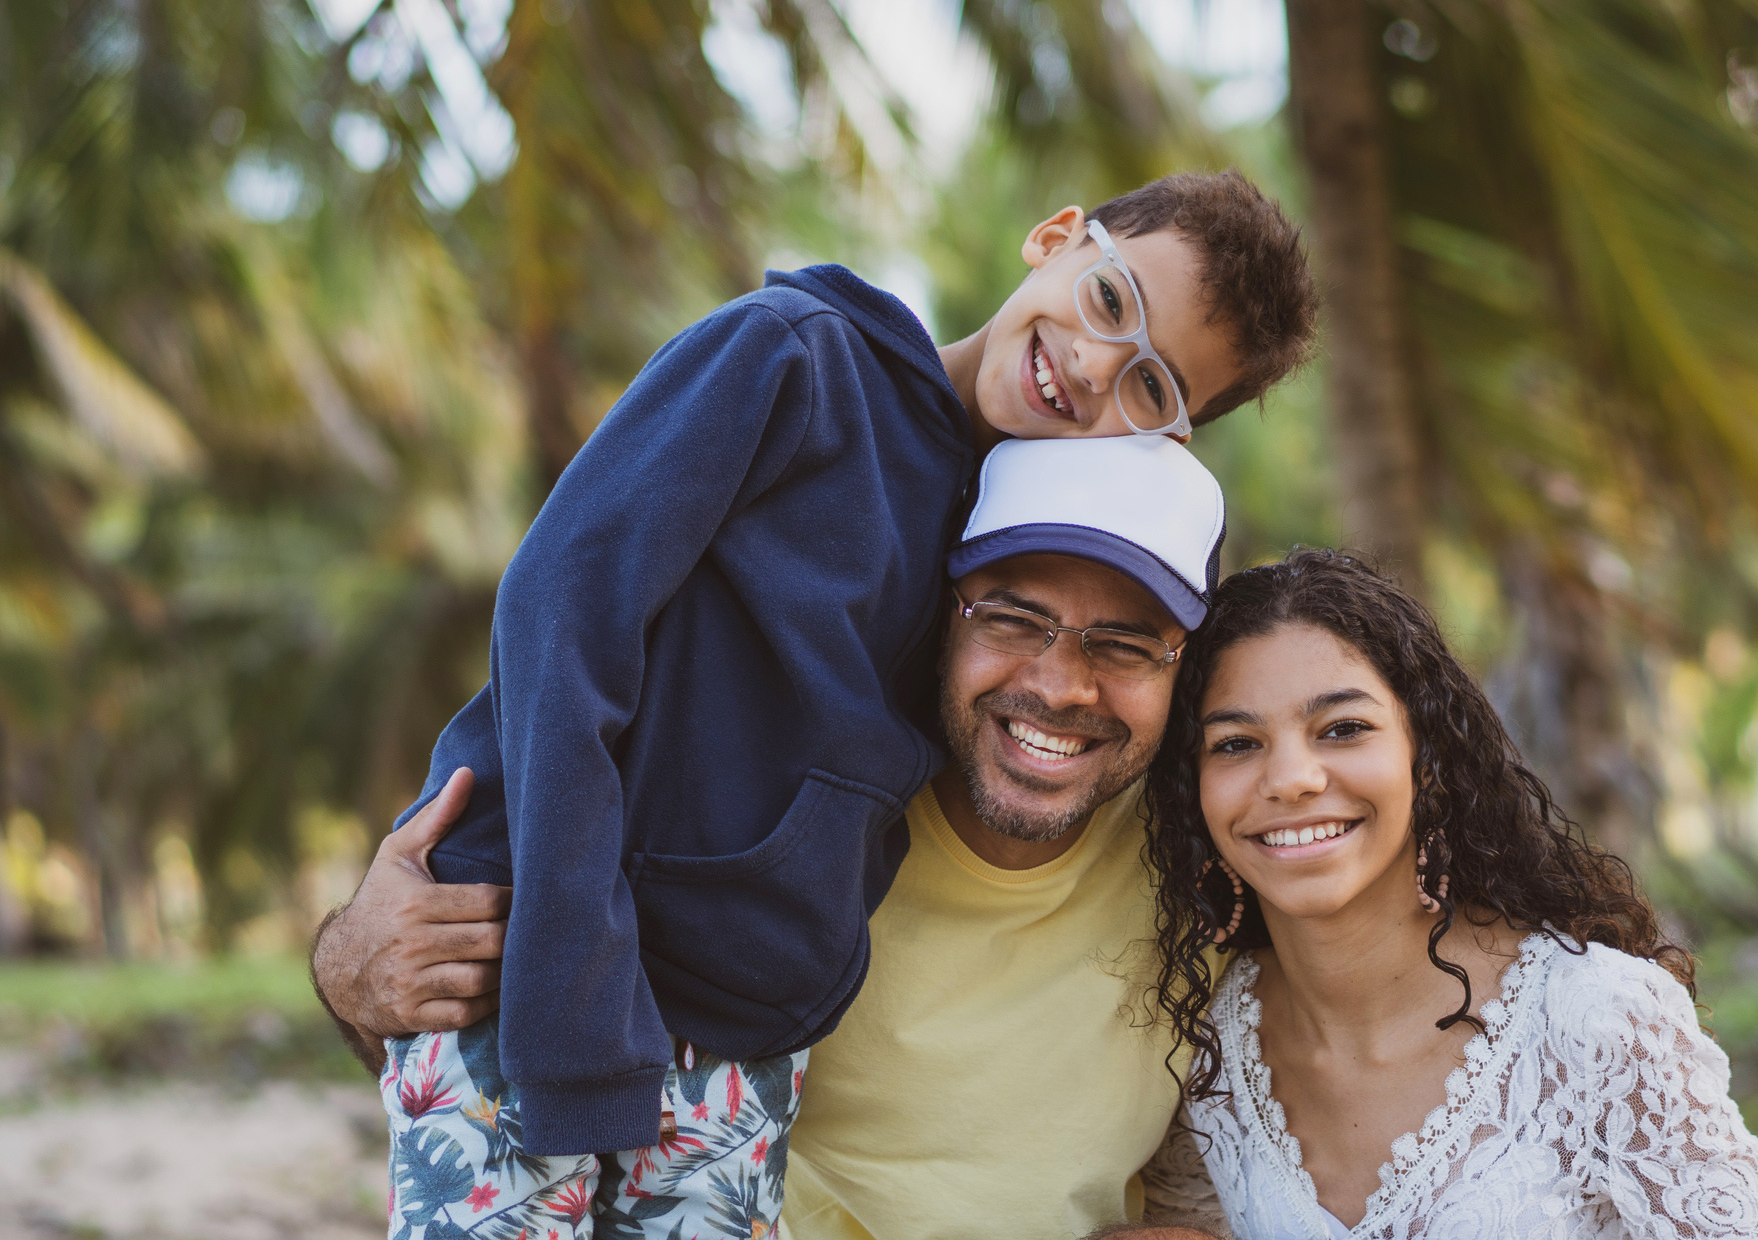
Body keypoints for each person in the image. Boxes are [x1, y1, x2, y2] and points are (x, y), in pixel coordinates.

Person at [355, 168, 1316, 1237]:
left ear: (1168, 437)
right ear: (1055, 238)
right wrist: (566, 986)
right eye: (1109, 301)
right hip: (554, 961)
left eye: (1152, 384)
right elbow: (564, 608)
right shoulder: (790, 357)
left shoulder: (1012, 536)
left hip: (739, 1029)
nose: (1092, 366)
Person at [319, 433, 1238, 1240]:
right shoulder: (765, 818)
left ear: (1183, 671)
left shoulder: (1215, 864)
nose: (1061, 685)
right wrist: (352, 968)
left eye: (1126, 644)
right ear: (939, 617)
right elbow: (487, 1037)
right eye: (1010, 617)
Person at [1136, 549, 1758, 1240]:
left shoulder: (1593, 1019)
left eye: (1342, 729)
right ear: (1191, 790)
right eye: (1235, 743)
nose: (1292, 779)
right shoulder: (1208, 1045)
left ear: (1426, 760)